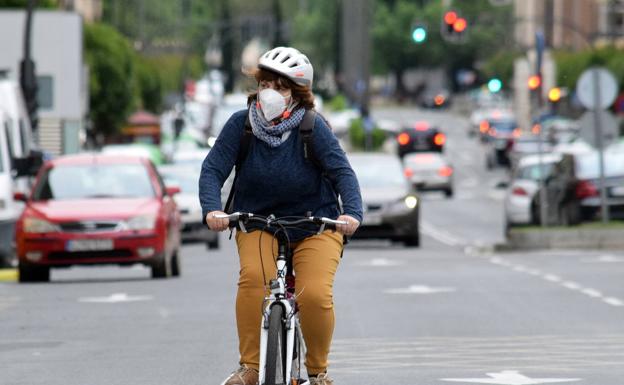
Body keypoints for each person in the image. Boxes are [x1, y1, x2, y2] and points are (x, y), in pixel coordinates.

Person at [199, 46, 363, 385]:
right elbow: (213, 169)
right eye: (266, 84)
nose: (271, 92)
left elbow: (342, 173)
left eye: (282, 86)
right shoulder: (240, 124)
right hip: (257, 220)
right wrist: (212, 209)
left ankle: (318, 373)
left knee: (314, 294)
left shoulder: (313, 127)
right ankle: (250, 368)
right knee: (253, 280)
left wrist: (353, 214)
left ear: (297, 95)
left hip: (315, 223)